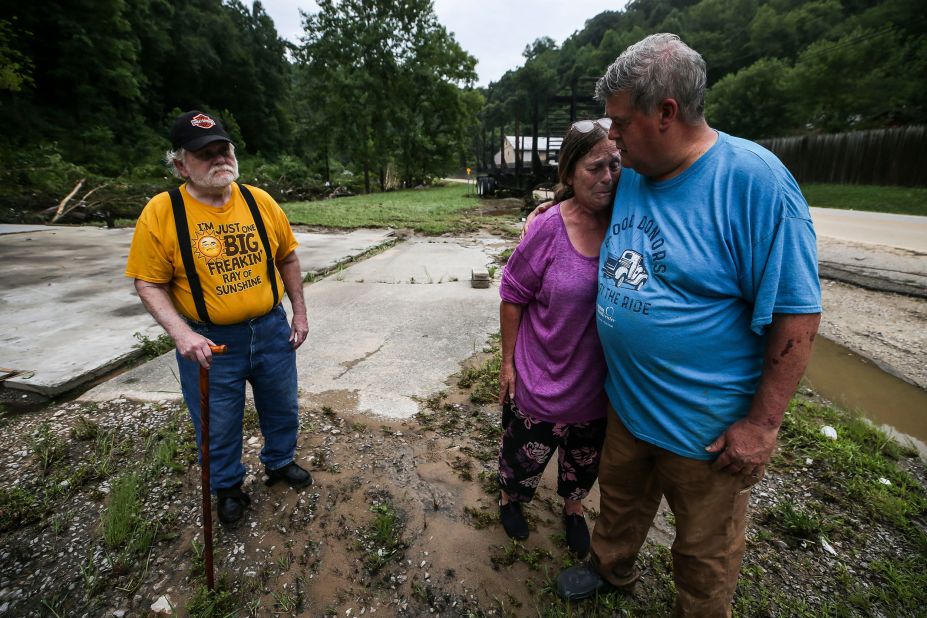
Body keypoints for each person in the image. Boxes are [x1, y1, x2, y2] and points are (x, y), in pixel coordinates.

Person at [549, 34, 822, 616]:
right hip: (627, 405)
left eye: (621, 124)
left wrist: (763, 426)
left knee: (704, 550)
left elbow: (798, 314)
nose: (612, 140)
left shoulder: (755, 184)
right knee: (619, 503)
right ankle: (610, 566)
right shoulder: (634, 175)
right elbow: (579, 206)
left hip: (707, 433)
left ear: (666, 113)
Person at [125, 110, 312, 527]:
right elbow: (148, 283)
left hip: (270, 329)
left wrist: (298, 312)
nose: (218, 159)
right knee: (217, 420)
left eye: (222, 149)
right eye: (204, 154)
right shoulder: (162, 212)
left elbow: (288, 257)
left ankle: (280, 462)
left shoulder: (258, 200)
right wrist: (181, 334)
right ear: (179, 164)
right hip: (210, 341)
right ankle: (228, 486)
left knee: (282, 406)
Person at [496, 120, 620, 557]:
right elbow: (512, 294)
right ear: (568, 174)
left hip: (596, 386)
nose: (607, 176)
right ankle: (512, 500)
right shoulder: (548, 227)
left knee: (585, 458)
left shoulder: (626, 222)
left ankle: (573, 508)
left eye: (614, 164)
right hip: (541, 376)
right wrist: (507, 363)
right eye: (594, 167)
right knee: (523, 454)